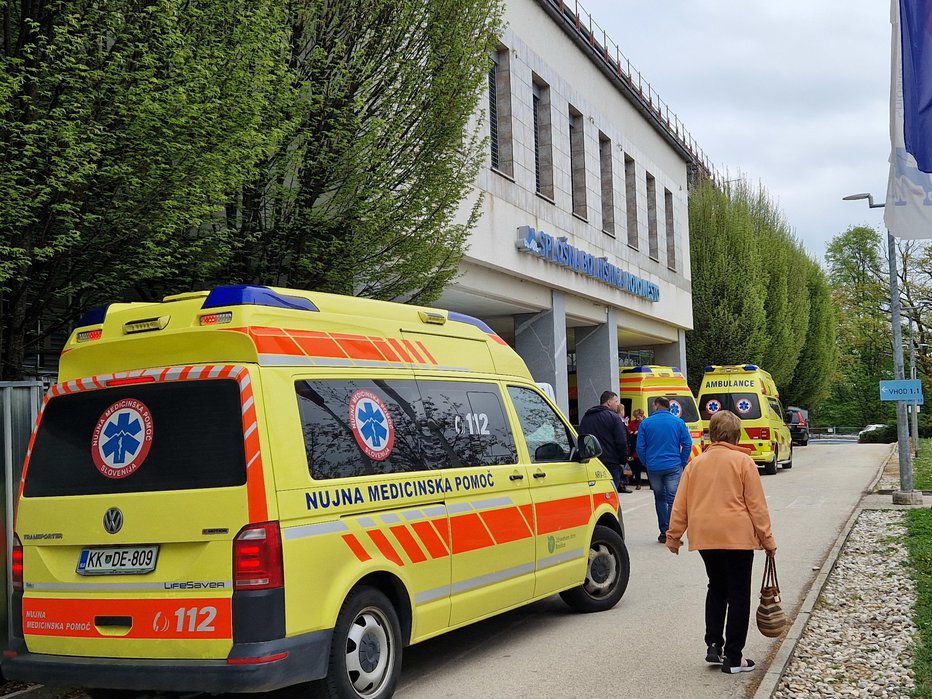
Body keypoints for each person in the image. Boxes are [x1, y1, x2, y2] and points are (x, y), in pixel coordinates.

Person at [665, 410, 777, 675]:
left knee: (716, 587)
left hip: (705, 536)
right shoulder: (743, 462)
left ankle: (714, 643)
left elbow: (680, 504)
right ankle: (734, 658)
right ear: (737, 435)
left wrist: (674, 536)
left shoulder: (696, 464)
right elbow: (756, 506)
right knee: (738, 593)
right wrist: (768, 539)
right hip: (736, 536)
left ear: (712, 433)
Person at [636, 396, 692, 541]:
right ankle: (673, 533)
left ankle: (663, 531)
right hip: (673, 466)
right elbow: (687, 444)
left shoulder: (645, 423)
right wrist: (682, 461)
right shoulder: (678, 423)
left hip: (654, 467)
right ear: (668, 407)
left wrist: (646, 462)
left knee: (659, 498)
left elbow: (640, 447)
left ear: (656, 405)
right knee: (673, 499)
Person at [579, 390, 630, 493]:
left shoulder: (586, 418)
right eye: (616, 401)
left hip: (591, 462)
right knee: (611, 494)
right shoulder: (614, 418)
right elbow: (621, 441)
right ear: (609, 402)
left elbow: (582, 438)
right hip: (611, 463)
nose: (617, 404)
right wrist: (623, 461)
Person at [627, 408, 645, 490]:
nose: (637, 419)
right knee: (637, 467)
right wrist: (632, 432)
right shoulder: (633, 423)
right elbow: (629, 430)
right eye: (636, 417)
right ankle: (638, 483)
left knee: (647, 467)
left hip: (645, 448)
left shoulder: (646, 422)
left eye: (638, 417)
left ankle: (652, 484)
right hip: (635, 448)